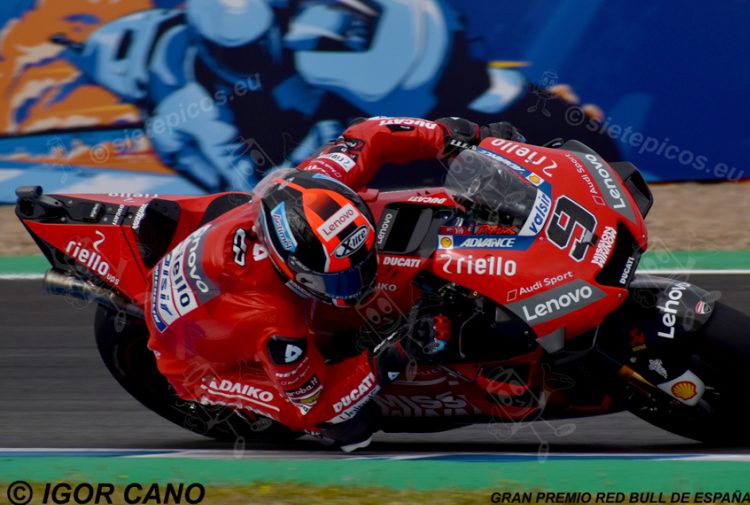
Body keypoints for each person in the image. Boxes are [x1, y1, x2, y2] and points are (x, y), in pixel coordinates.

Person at [144, 115, 524, 451]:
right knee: (348, 427)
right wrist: (399, 350)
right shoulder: (275, 326)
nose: (359, 283)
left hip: (222, 246)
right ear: (293, 273)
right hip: (196, 361)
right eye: (341, 280)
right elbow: (318, 403)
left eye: (359, 266)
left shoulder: (318, 183)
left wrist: (457, 136)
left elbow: (370, 133)